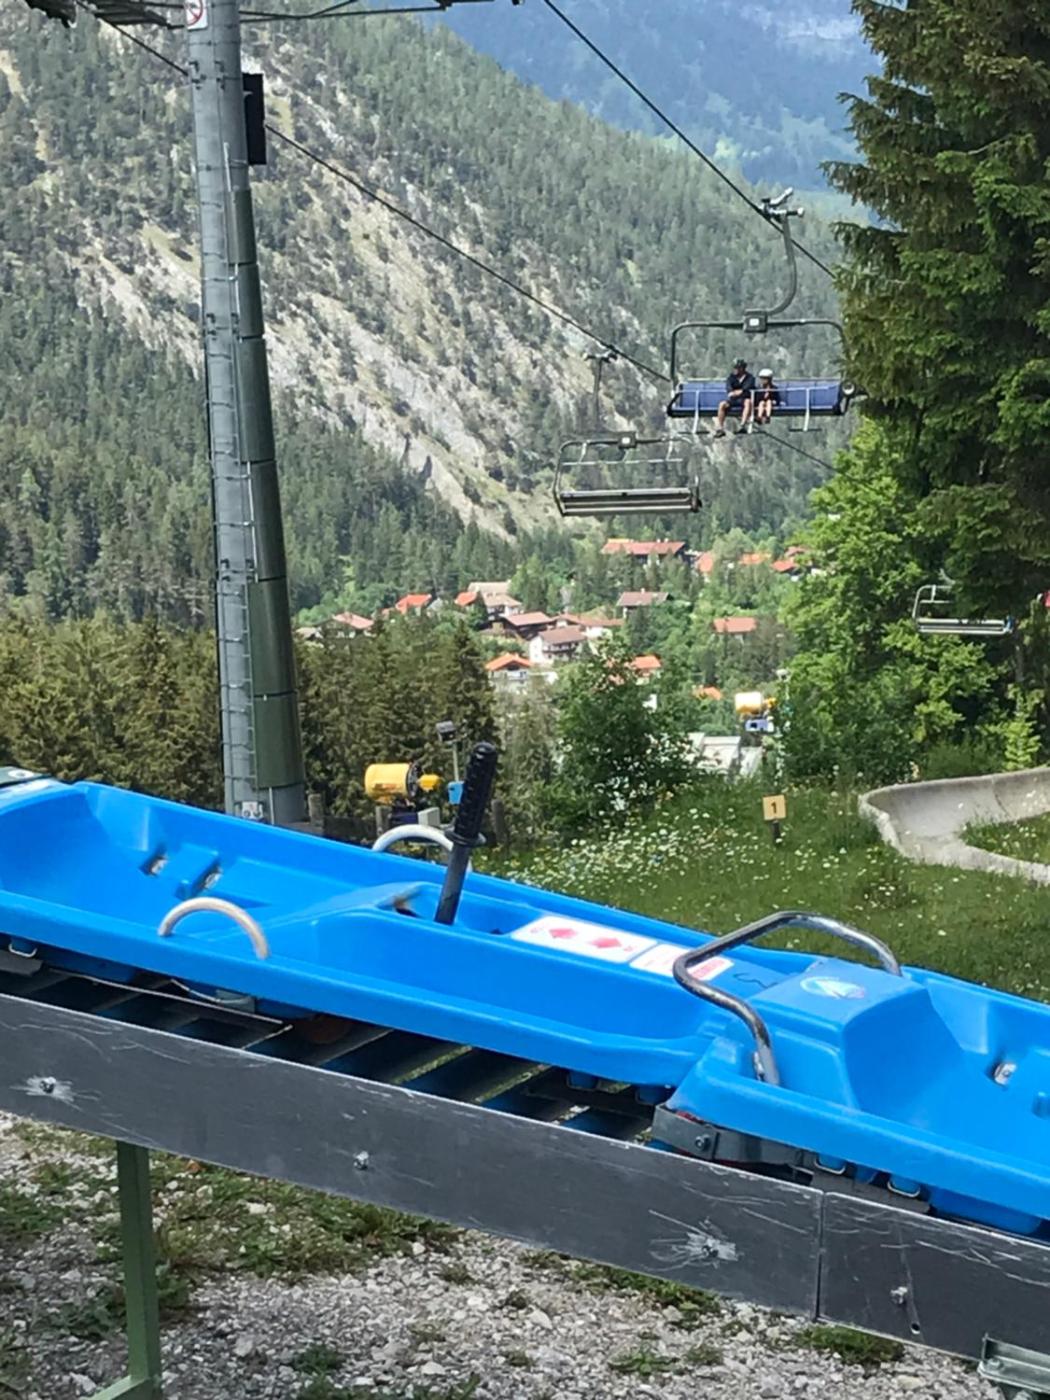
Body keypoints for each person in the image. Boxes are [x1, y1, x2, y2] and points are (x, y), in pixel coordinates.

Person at [714, 358, 755, 437]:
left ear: (742, 368)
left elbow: (746, 390)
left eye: (737, 367)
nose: (736, 369)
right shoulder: (731, 378)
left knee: (748, 402)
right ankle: (720, 428)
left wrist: (737, 392)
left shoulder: (750, 378)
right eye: (735, 367)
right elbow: (729, 391)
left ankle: (743, 425)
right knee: (722, 404)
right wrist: (737, 392)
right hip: (733, 400)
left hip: (744, 399)